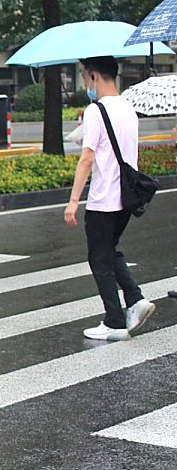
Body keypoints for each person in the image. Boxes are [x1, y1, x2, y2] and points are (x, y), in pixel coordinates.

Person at [63, 56, 155, 341]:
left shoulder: (96, 110)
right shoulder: (128, 108)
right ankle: (136, 299)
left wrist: (73, 200)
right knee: (109, 250)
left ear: (93, 76)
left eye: (83, 76)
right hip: (127, 198)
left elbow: (87, 159)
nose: (84, 82)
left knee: (99, 259)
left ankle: (114, 320)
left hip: (104, 198)